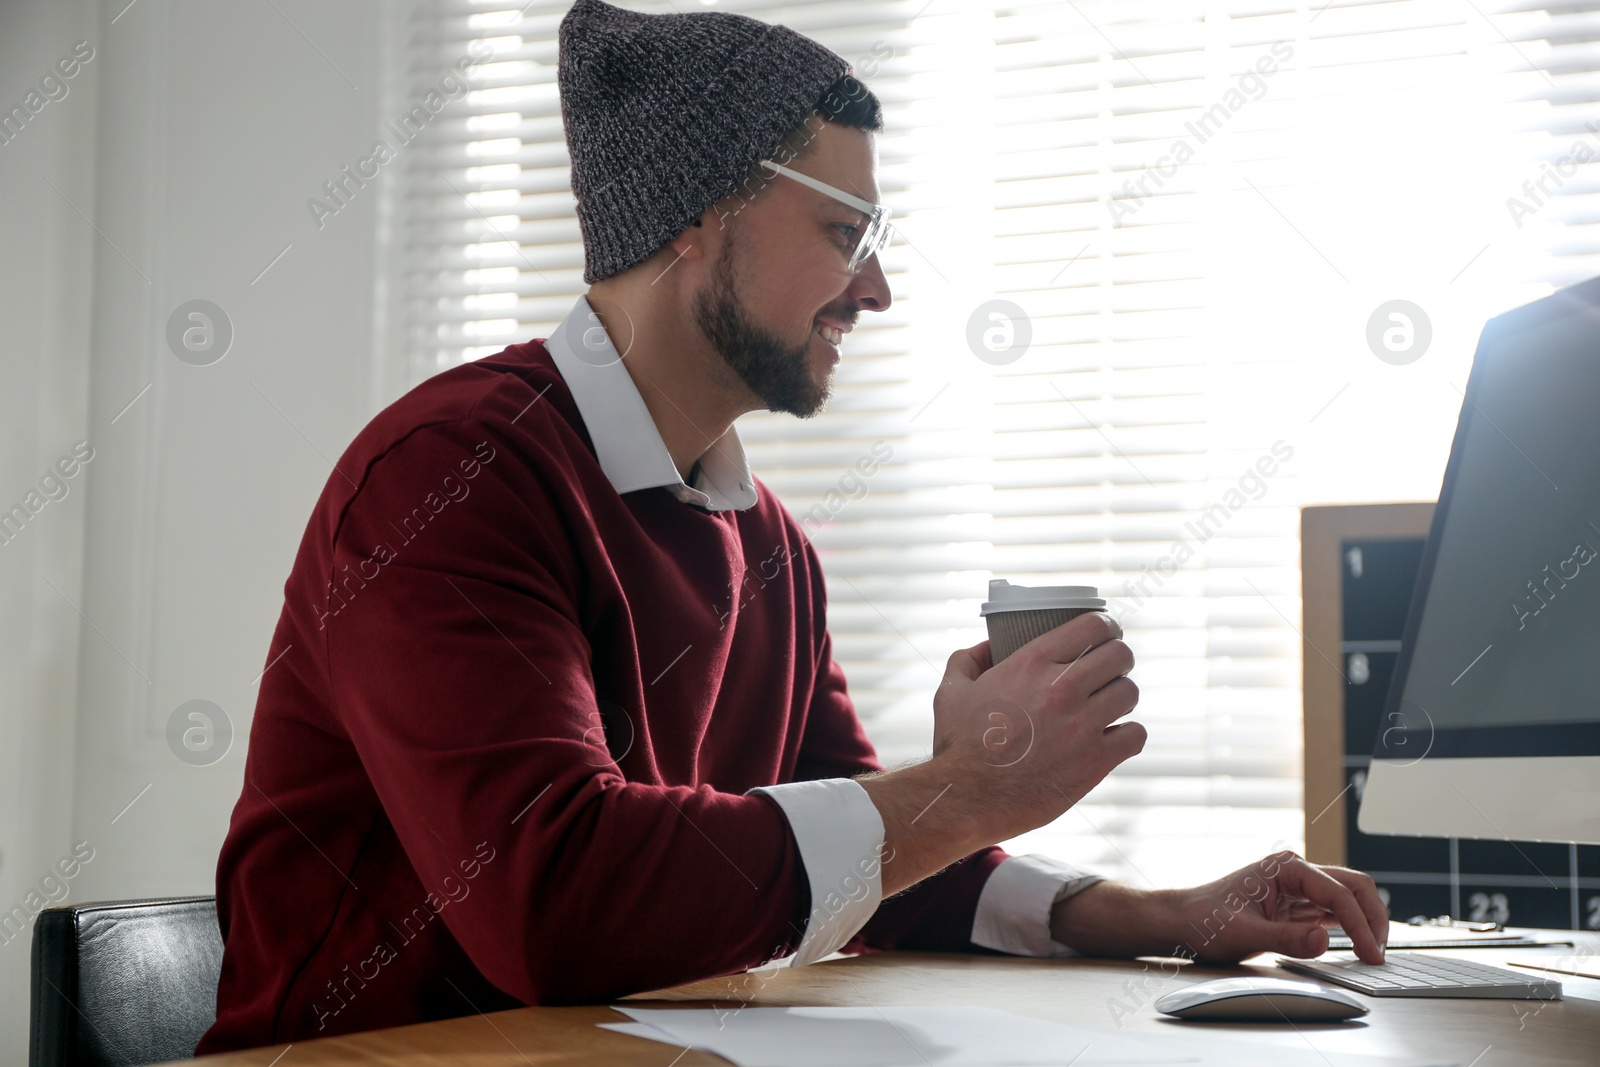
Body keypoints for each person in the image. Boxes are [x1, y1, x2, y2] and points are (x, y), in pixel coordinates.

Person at [196, 0, 1387, 1052]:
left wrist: (1163, 914)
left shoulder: (766, 541)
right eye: (844, 232)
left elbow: (871, 858)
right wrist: (968, 785)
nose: (876, 289)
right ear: (697, 216)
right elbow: (552, 902)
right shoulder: (449, 477)